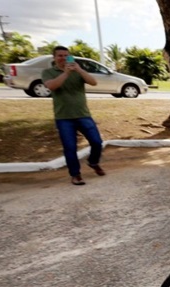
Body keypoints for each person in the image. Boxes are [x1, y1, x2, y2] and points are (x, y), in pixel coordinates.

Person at [42, 46, 105, 185]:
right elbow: (52, 86)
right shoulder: (48, 72)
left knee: (97, 142)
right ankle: (75, 175)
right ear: (54, 57)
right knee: (70, 148)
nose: (63, 58)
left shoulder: (78, 71)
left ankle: (93, 162)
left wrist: (79, 69)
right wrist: (65, 73)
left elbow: (93, 82)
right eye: (60, 55)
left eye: (66, 55)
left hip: (83, 114)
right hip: (63, 117)